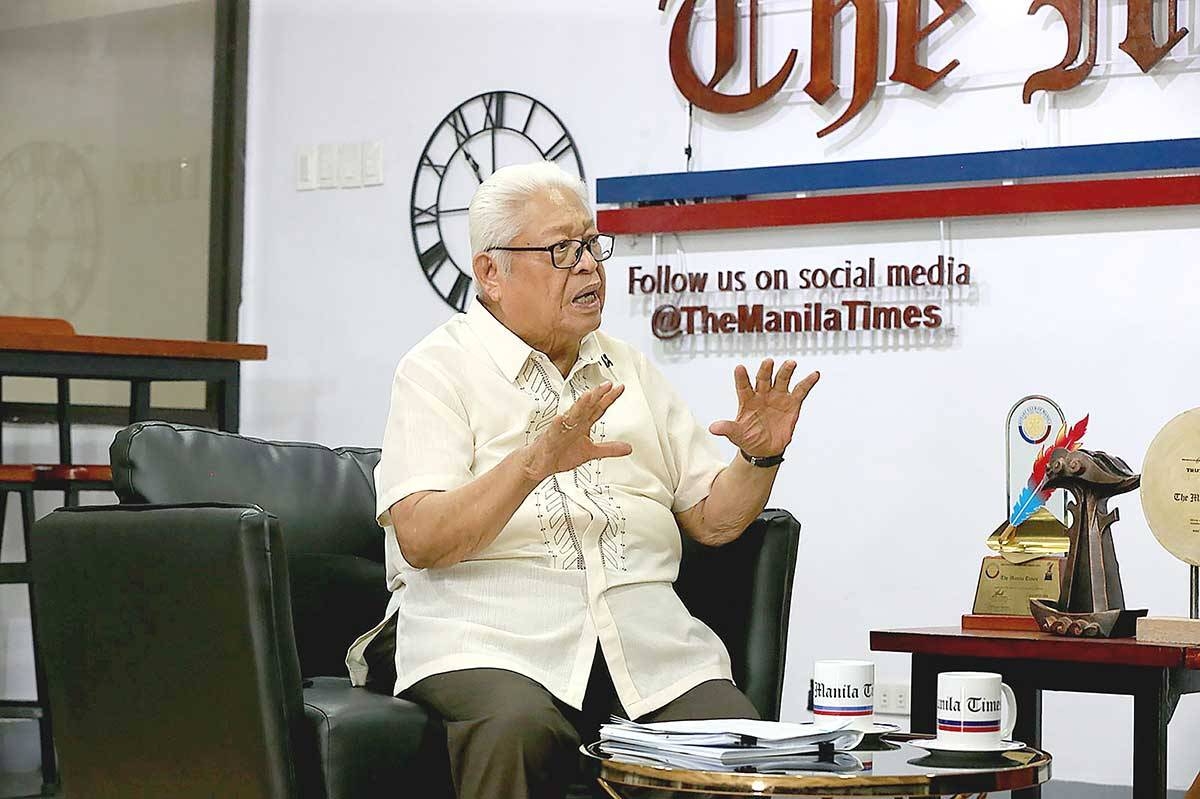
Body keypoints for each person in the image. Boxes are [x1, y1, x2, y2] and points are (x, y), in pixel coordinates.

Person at [347, 160, 819, 799]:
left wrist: (758, 459)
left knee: (739, 749)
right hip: (487, 634)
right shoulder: (438, 370)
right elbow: (423, 538)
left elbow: (715, 518)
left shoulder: (629, 369)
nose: (590, 268)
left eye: (592, 245)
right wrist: (534, 463)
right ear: (491, 273)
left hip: (643, 639)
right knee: (518, 727)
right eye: (562, 251)